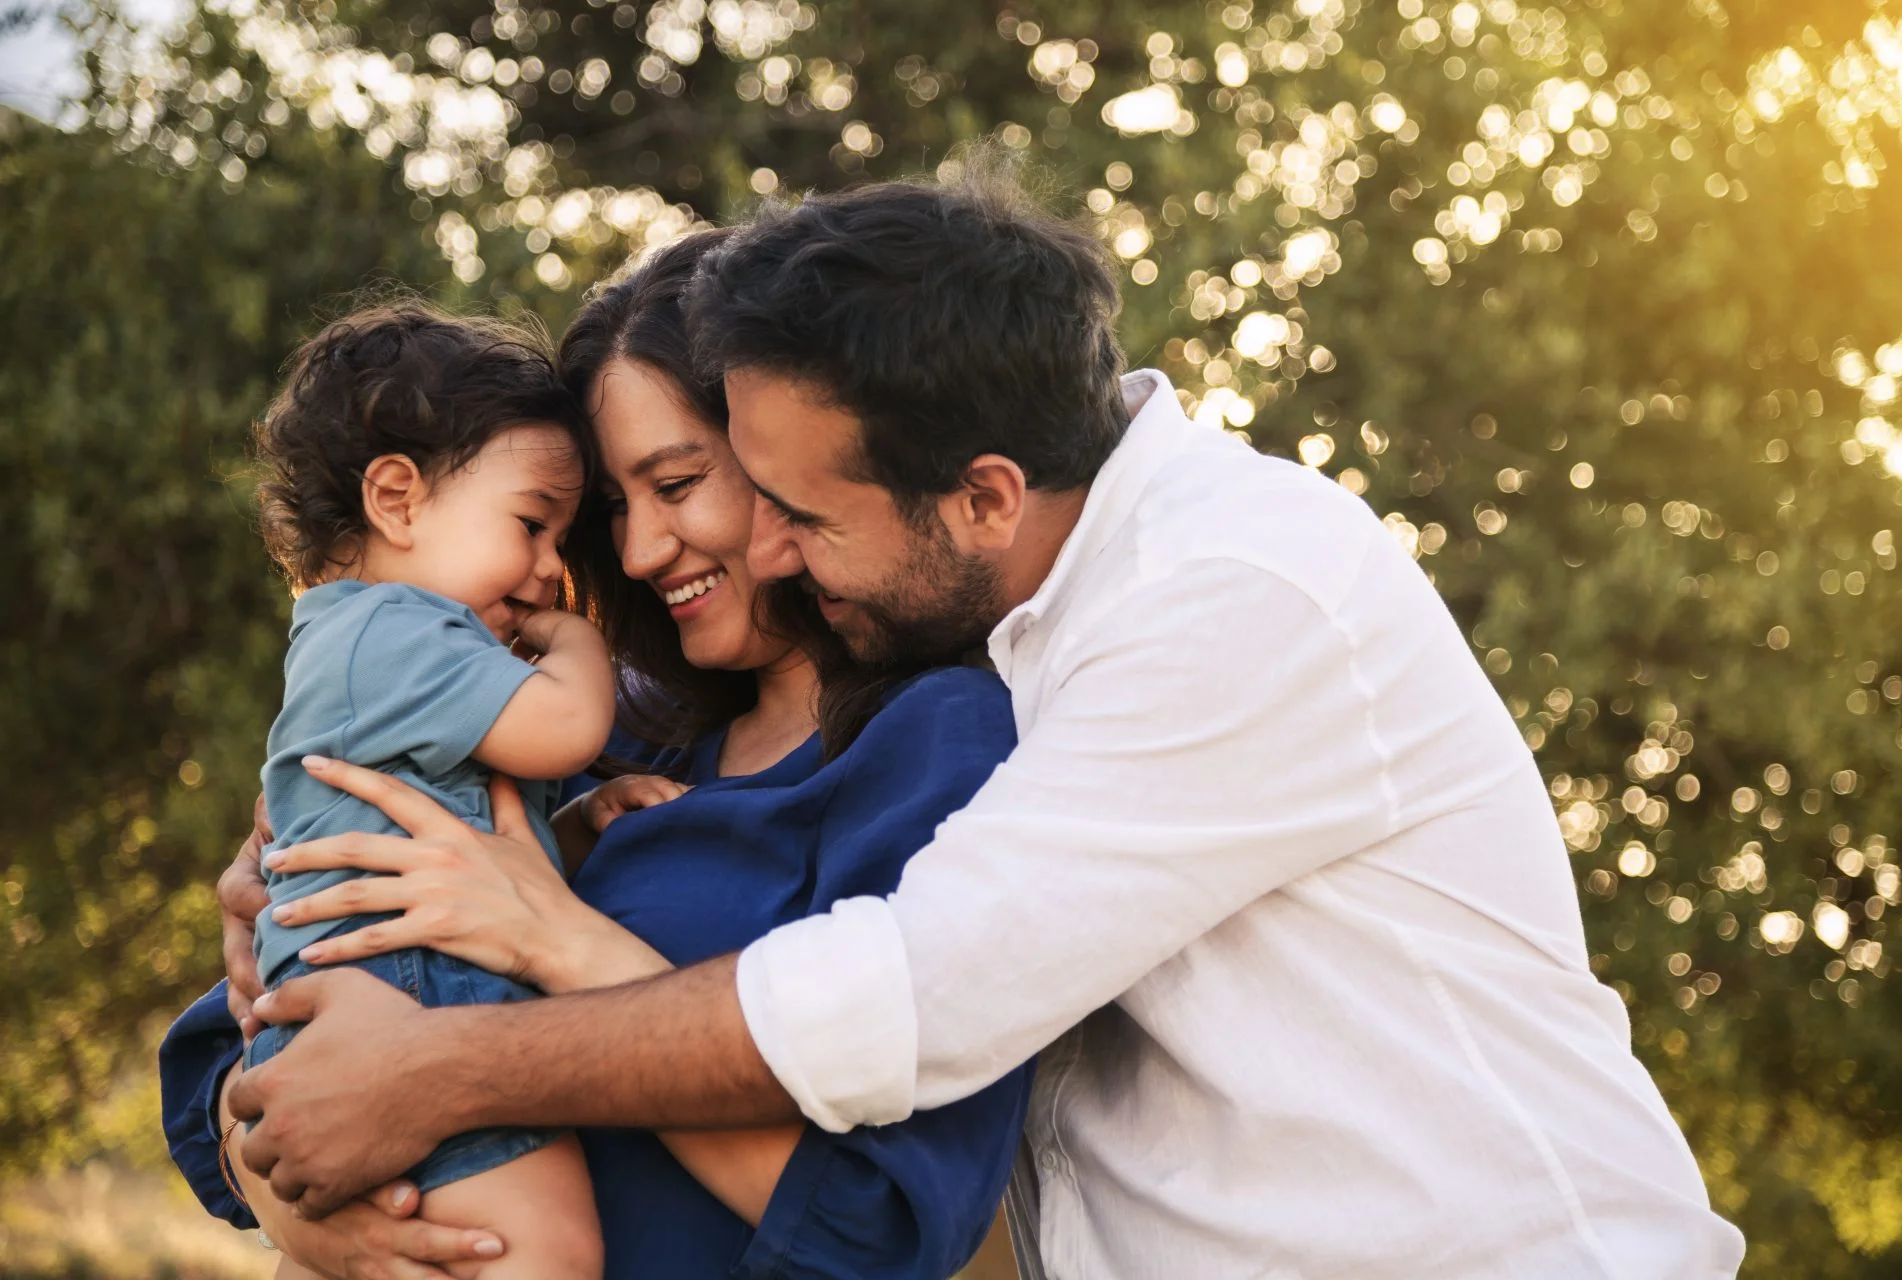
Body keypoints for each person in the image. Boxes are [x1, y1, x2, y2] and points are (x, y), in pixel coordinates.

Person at [216, 168, 1748, 1278]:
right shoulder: (670, 719)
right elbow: (256, 1039)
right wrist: (294, 1157)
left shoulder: (1228, 595)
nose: (757, 549)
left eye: (773, 502)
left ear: (985, 494)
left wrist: (451, 1065)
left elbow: (908, 1009)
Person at [159, 231, 1030, 1279]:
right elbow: (224, 1056)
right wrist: (313, 1213)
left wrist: (550, 937)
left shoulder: (945, 741)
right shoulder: (599, 728)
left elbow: (882, 1228)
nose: (634, 550)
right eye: (613, 506)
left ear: (785, 455)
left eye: (675, 482)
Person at [237, 301, 611, 1280]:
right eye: (533, 524)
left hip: (353, 996)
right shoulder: (403, 629)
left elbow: (471, 833)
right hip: (411, 993)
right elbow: (568, 725)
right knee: (543, 1248)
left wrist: (574, 824)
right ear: (397, 498)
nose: (545, 572)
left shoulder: (355, 639)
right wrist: (580, 643)